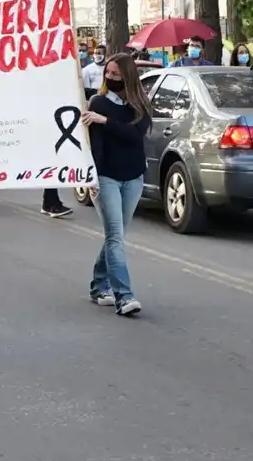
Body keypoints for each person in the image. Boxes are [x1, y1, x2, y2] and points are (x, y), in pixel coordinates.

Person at [83, 54, 153, 317]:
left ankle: (98, 284)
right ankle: (124, 296)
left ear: (128, 76)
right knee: (114, 236)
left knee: (117, 236)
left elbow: (136, 136)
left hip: (134, 177)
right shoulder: (97, 102)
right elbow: (96, 146)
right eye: (107, 74)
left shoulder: (140, 104)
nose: (110, 78)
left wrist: (106, 121)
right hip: (107, 177)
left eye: (115, 74)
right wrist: (92, 178)